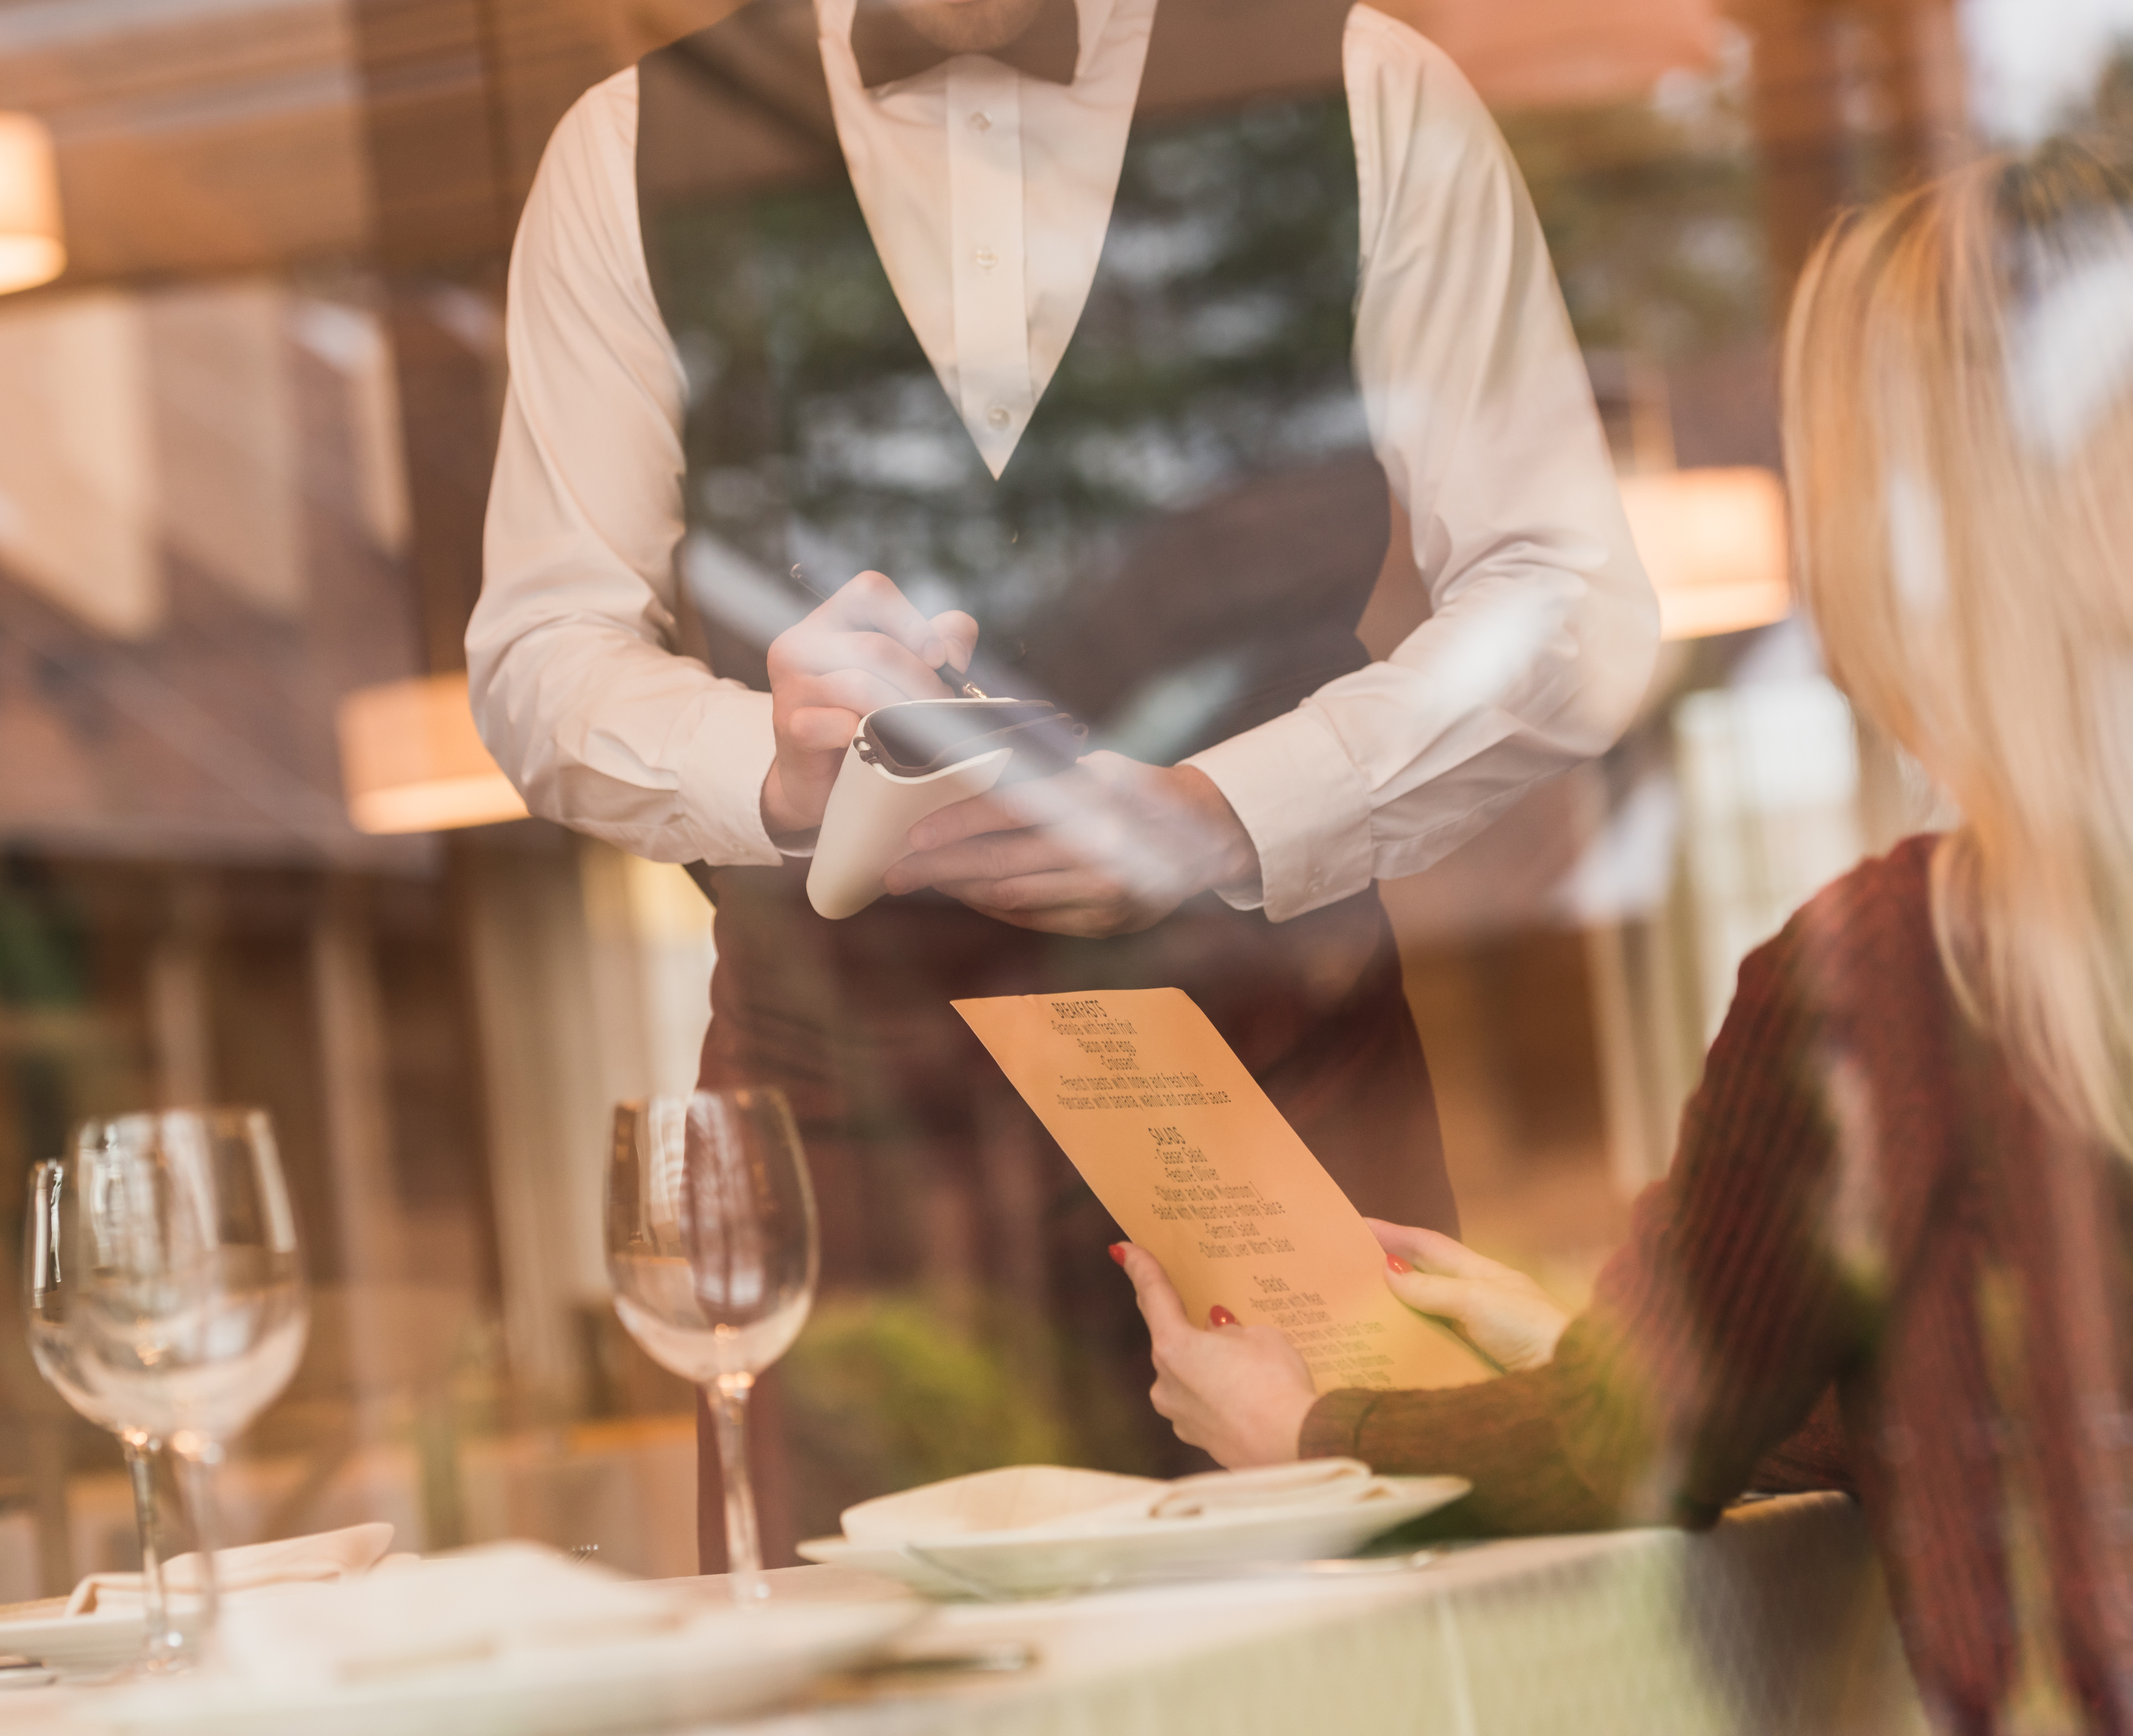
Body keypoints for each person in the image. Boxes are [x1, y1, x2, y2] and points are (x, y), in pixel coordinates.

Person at [471, 0, 1657, 1551]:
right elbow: (542, 654)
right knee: (866, 1682)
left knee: (1354, 1652)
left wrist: (1221, 814)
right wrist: (770, 776)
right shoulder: (625, 154)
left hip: (1273, 1074)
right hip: (845, 1127)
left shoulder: (1366, 89)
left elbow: (1565, 603)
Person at [1114, 133, 2133, 1730]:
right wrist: (1592, 1343)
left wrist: (1306, 1428)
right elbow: (1982, 1400)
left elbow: (1620, 1455)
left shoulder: (1898, 969)